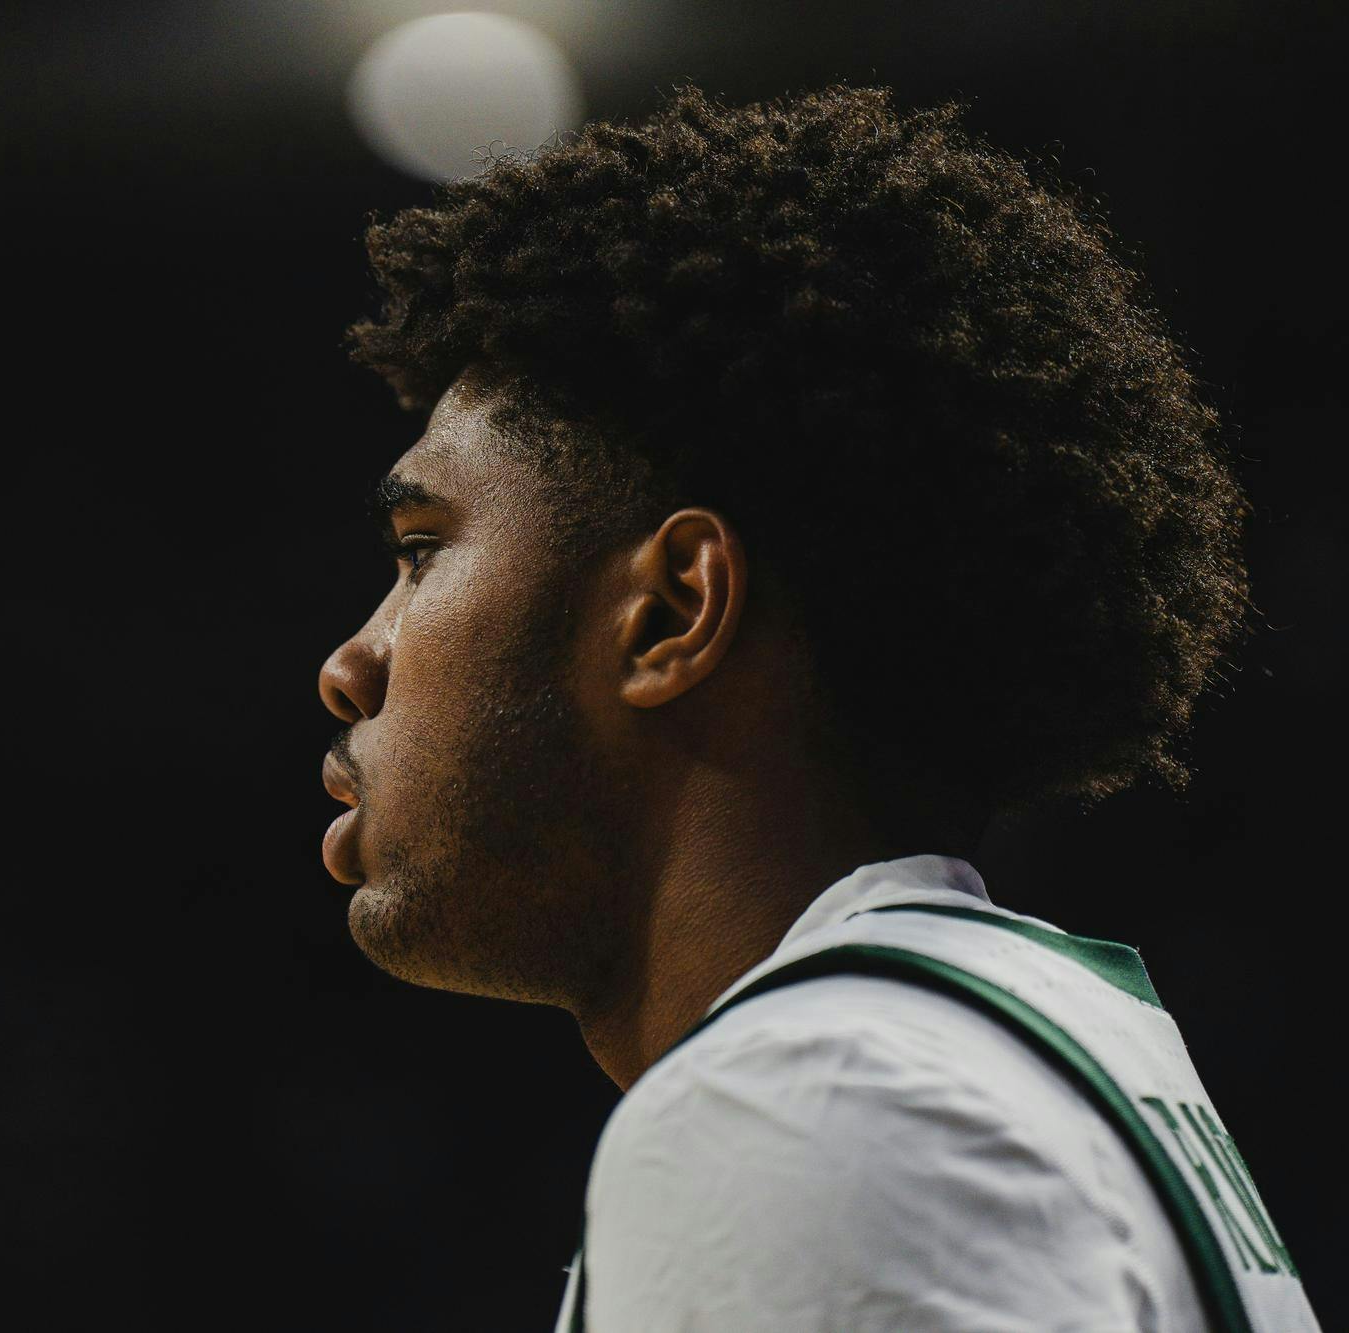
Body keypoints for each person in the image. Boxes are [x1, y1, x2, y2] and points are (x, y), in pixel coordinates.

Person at [316, 82, 1320, 1330]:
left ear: (672, 611)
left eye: (420, 553)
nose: (351, 662)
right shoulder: (970, 1046)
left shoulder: (812, 1101)